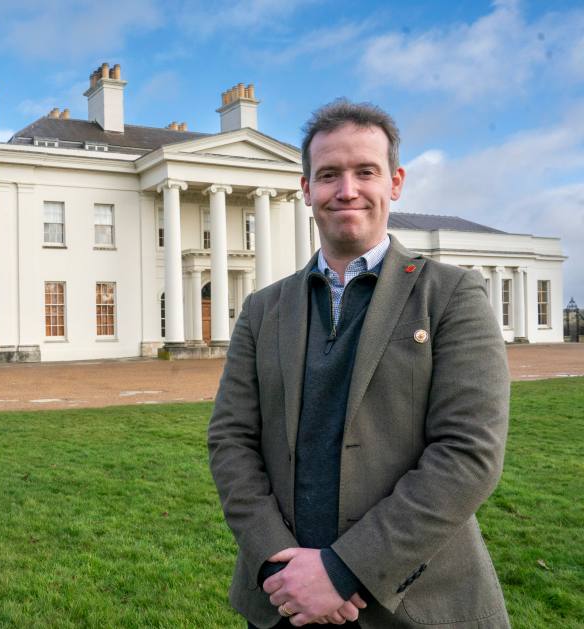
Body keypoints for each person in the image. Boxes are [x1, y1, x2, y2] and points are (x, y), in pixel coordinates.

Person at [207, 99, 510, 628]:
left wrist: (345, 571)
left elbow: (468, 453)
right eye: (328, 175)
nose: (346, 190)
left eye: (364, 171)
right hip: (285, 601)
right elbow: (231, 440)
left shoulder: (452, 295)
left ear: (394, 182)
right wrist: (277, 561)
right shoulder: (263, 309)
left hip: (416, 605)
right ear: (306, 191)